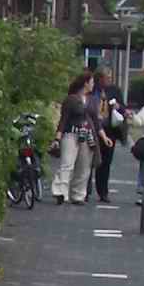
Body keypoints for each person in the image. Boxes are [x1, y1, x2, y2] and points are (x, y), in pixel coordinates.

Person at [51, 71, 96, 204]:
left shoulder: (91, 100)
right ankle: (60, 192)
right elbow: (63, 120)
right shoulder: (71, 99)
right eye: (92, 82)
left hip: (86, 136)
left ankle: (78, 195)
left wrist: (102, 136)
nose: (93, 85)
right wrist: (58, 138)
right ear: (86, 83)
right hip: (71, 134)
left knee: (84, 166)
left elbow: (96, 120)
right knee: (67, 164)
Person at [89, 68, 125, 206]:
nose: (109, 80)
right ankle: (86, 190)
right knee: (89, 160)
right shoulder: (92, 90)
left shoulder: (114, 91)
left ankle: (103, 192)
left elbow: (123, 108)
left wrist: (118, 106)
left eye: (110, 77)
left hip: (109, 130)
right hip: (93, 129)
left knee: (105, 162)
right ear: (99, 78)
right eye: (106, 77)